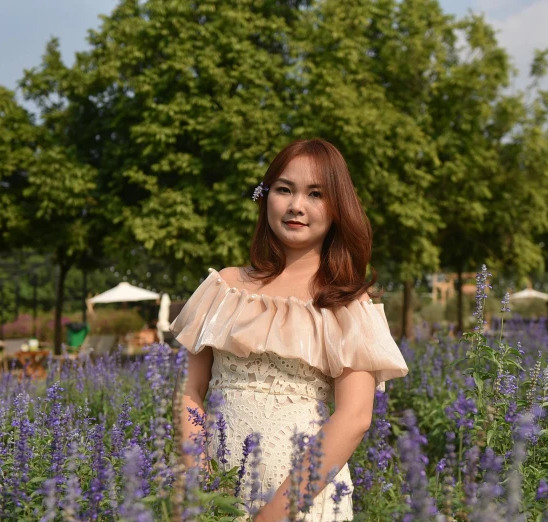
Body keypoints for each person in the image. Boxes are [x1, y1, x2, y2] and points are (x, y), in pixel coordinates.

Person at [169, 138, 409, 521]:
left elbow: (355, 417)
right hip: (216, 493)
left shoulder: (345, 304)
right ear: (265, 198)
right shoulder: (224, 288)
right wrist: (203, 484)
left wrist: (272, 515)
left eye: (316, 194)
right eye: (284, 189)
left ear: (337, 208)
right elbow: (190, 391)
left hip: (301, 497)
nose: (296, 205)